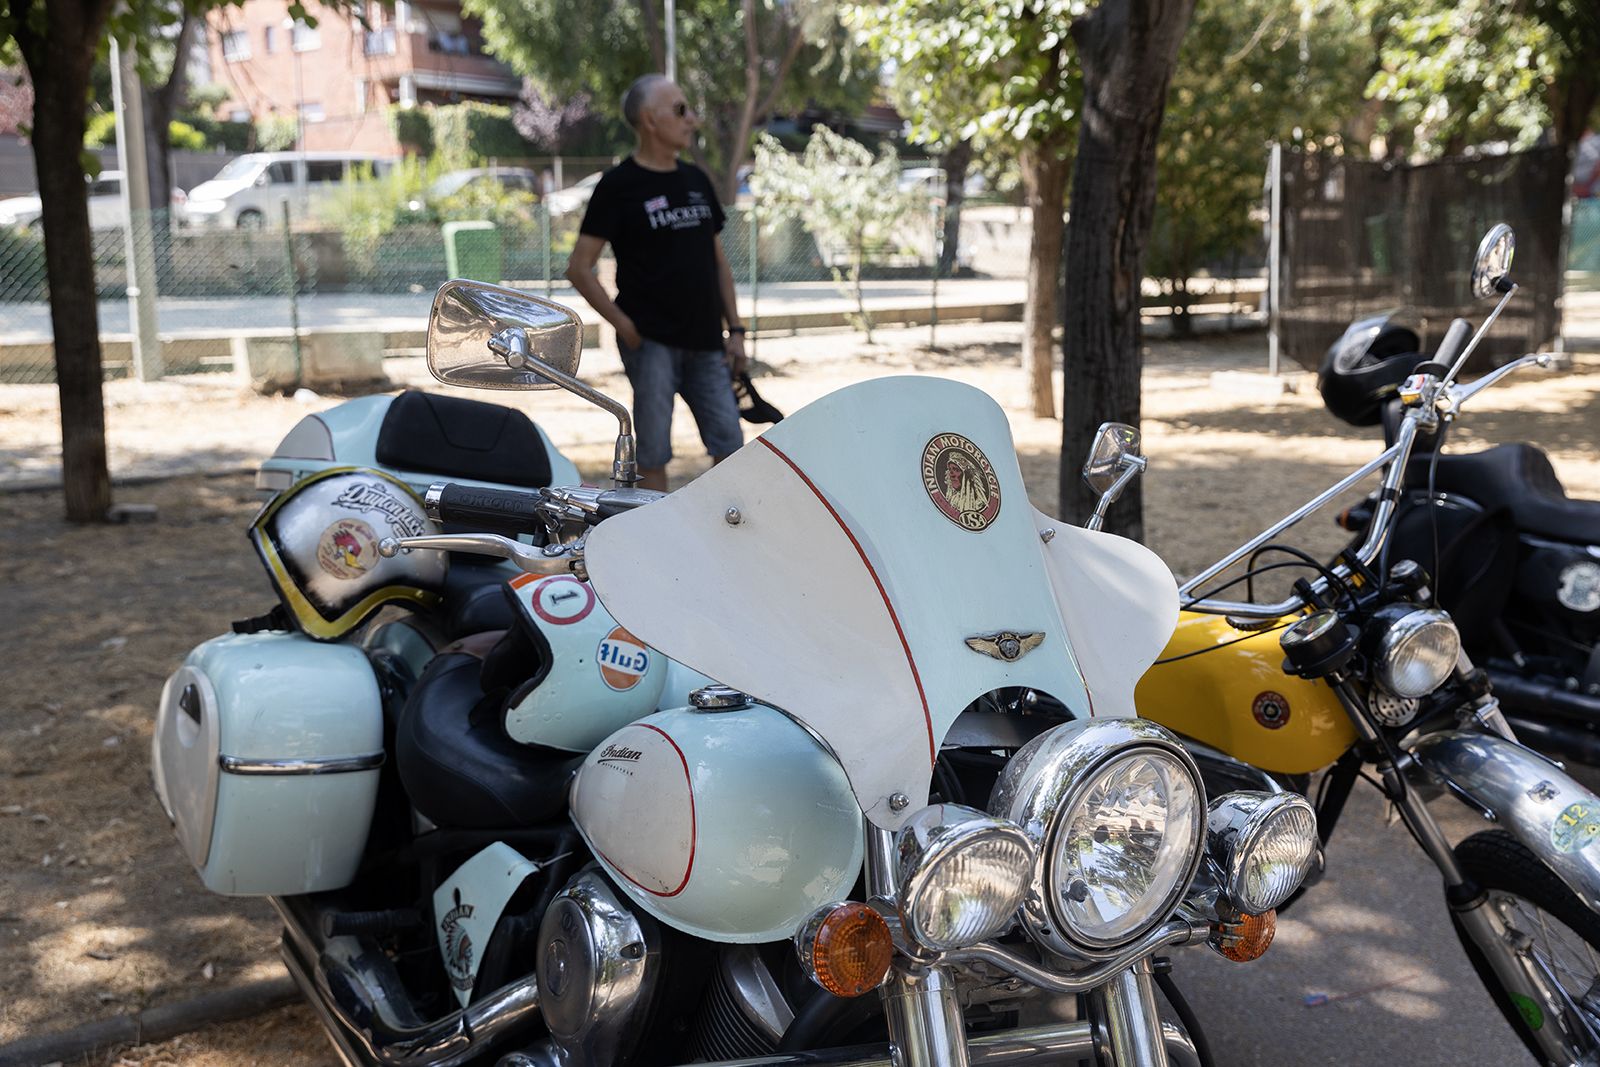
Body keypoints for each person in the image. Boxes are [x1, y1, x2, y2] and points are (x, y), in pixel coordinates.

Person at [564, 74, 747, 493]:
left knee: (732, 448)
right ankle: (654, 547)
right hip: (651, 346)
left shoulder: (696, 181)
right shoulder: (618, 187)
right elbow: (579, 268)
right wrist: (624, 327)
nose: (693, 120)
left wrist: (735, 330)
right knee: (652, 456)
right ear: (649, 119)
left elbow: (718, 263)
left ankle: (726, 538)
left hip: (707, 344)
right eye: (681, 110)